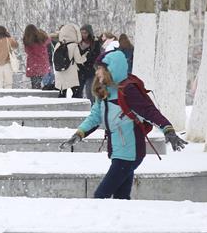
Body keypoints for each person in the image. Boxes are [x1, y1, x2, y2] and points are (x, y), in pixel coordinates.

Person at [60, 49, 186, 198]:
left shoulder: (128, 90)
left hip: (130, 152)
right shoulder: (104, 91)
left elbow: (149, 112)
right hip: (118, 151)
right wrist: (79, 133)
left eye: (100, 68)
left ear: (111, 69)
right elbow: (95, 117)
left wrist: (168, 130)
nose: (97, 72)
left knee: (101, 195)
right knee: (121, 198)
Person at [54, 23, 85, 98]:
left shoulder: (58, 45)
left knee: (62, 94)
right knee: (76, 94)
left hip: (60, 72)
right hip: (71, 73)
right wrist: (84, 57)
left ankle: (61, 104)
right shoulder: (74, 45)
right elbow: (78, 60)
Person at [23, 25, 52, 90]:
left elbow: (27, 51)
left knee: (35, 86)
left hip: (33, 65)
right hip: (43, 64)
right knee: (46, 85)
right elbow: (48, 39)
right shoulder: (42, 38)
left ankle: (36, 95)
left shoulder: (28, 41)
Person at [77, 24, 102, 99]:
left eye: (85, 33)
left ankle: (91, 105)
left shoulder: (95, 43)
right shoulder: (78, 43)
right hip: (80, 71)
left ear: (89, 33)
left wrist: (86, 58)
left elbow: (96, 56)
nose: (83, 34)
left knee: (90, 92)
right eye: (82, 32)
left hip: (91, 70)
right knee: (78, 92)